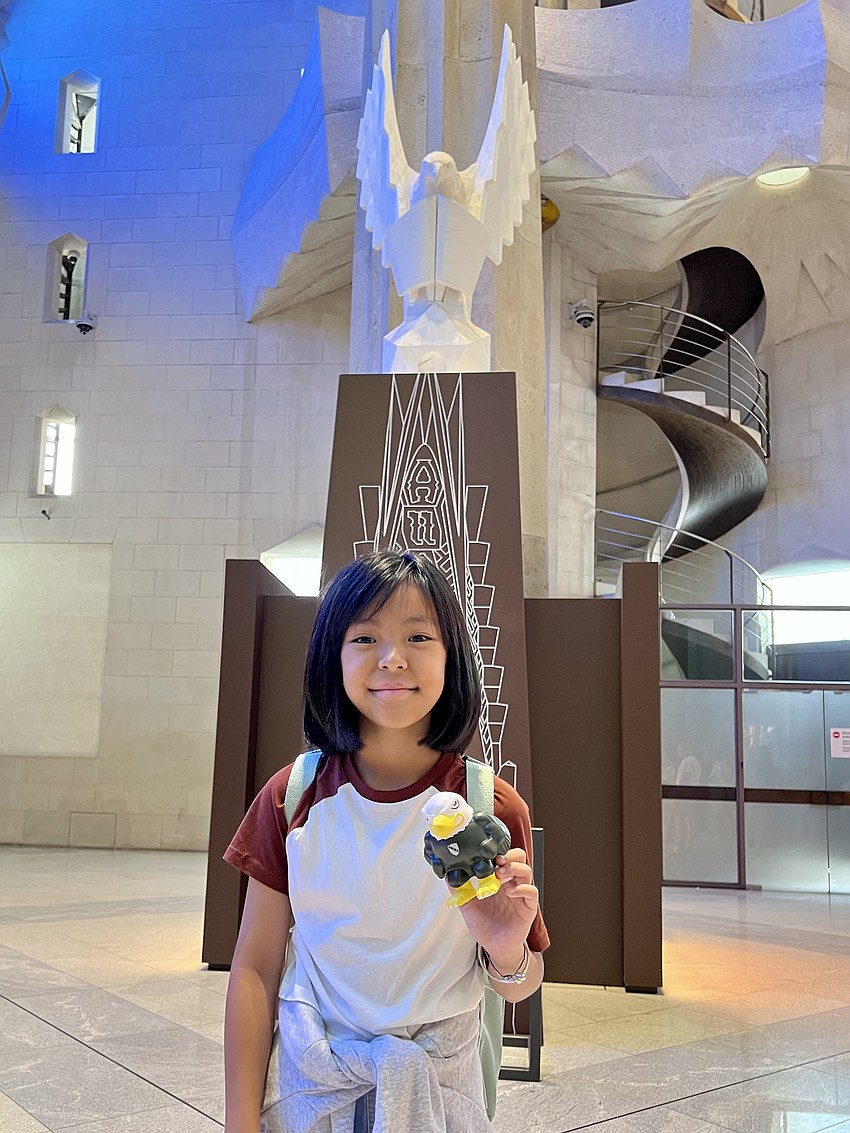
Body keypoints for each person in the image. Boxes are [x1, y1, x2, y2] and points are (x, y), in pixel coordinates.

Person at [222, 549, 549, 1133]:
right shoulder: (292, 797)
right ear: (333, 658)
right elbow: (256, 965)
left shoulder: (490, 807)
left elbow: (521, 983)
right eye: (365, 639)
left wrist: (505, 949)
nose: (393, 660)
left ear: (452, 658)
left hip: (439, 1098)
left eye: (419, 636)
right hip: (312, 1090)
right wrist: (240, 1121)